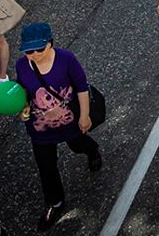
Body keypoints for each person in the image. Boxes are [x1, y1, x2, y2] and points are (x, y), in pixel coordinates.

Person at [14, 22, 102, 231]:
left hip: (69, 119)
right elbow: (24, 91)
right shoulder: (21, 64)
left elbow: (81, 87)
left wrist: (85, 115)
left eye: (39, 49)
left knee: (78, 145)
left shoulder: (66, 58)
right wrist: (24, 107)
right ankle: (55, 202)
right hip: (40, 125)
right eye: (28, 50)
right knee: (46, 165)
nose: (34, 54)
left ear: (51, 43)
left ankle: (93, 150)